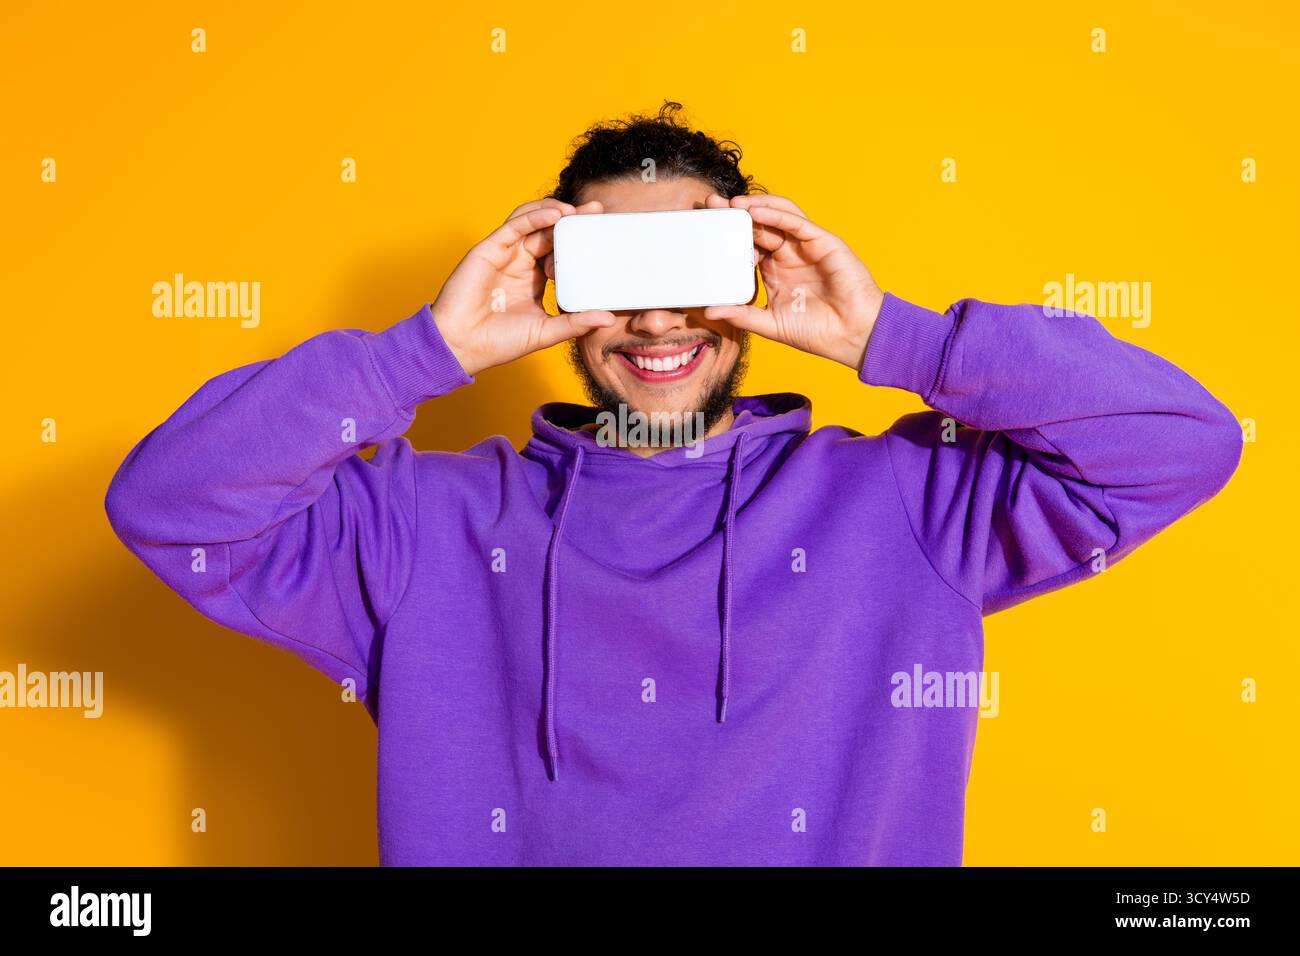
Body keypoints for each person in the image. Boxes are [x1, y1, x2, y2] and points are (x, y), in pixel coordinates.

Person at [105, 102, 1241, 865]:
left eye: (690, 269)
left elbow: (1183, 441)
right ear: (550, 284)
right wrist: (425, 351)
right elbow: (168, 502)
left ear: (754, 275)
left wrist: (890, 335)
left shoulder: (908, 502)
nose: (654, 318)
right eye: (614, 272)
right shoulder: (417, 523)